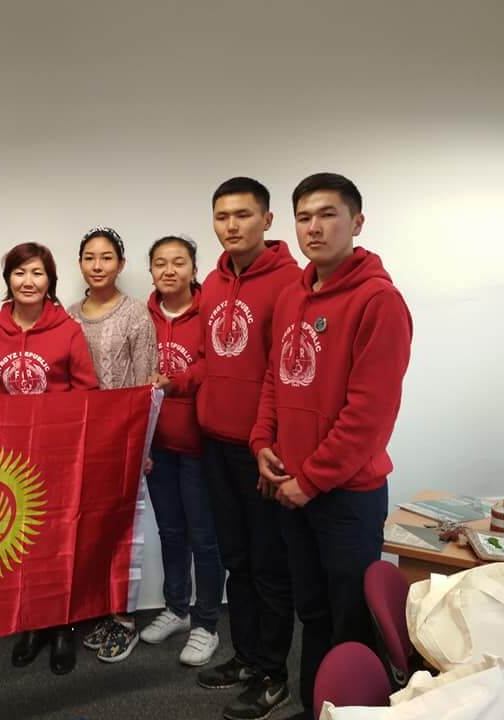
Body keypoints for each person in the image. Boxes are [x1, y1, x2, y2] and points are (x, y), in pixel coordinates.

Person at [251, 173, 412, 720]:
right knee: (313, 612)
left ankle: (353, 711)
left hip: (346, 496)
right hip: (293, 489)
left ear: (357, 222)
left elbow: (368, 417)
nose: (314, 228)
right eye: (304, 217)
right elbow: (274, 379)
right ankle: (316, 707)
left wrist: (311, 480)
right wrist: (262, 442)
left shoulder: (379, 301)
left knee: (350, 620)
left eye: (328, 215)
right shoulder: (293, 294)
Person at [196, 177, 299, 720]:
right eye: (222, 216)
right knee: (235, 560)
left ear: (267, 220)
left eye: (242, 215)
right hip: (215, 442)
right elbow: (211, 360)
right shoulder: (212, 282)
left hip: (260, 450)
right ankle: (246, 657)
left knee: (268, 566)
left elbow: (286, 375)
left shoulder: (290, 282)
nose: (231, 226)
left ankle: (273, 674)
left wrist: (269, 443)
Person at [0, 242, 98, 674]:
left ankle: (63, 626)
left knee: (59, 541)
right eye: (19, 273)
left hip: (58, 453)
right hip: (9, 455)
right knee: (22, 540)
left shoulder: (67, 330)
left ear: (50, 281)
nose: (28, 281)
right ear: (8, 280)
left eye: (37, 273)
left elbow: (87, 392)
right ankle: (32, 623)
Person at [67, 226, 157, 663]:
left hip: (123, 440)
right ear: (80, 264)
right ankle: (102, 610)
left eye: (106, 258)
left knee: (125, 531)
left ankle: (125, 619)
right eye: (90, 257)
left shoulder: (136, 314)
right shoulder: (68, 315)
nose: (97, 265)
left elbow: (146, 386)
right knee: (90, 531)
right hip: (81, 443)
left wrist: (144, 444)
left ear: (121, 264)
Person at [141, 235, 225, 668]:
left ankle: (206, 623)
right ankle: (177, 608)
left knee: (204, 538)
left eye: (178, 262)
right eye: (160, 263)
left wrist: (178, 381)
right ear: (150, 270)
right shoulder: (143, 315)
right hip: (158, 447)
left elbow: (216, 362)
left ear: (194, 268)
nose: (169, 270)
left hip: (199, 445)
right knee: (170, 533)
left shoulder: (211, 310)